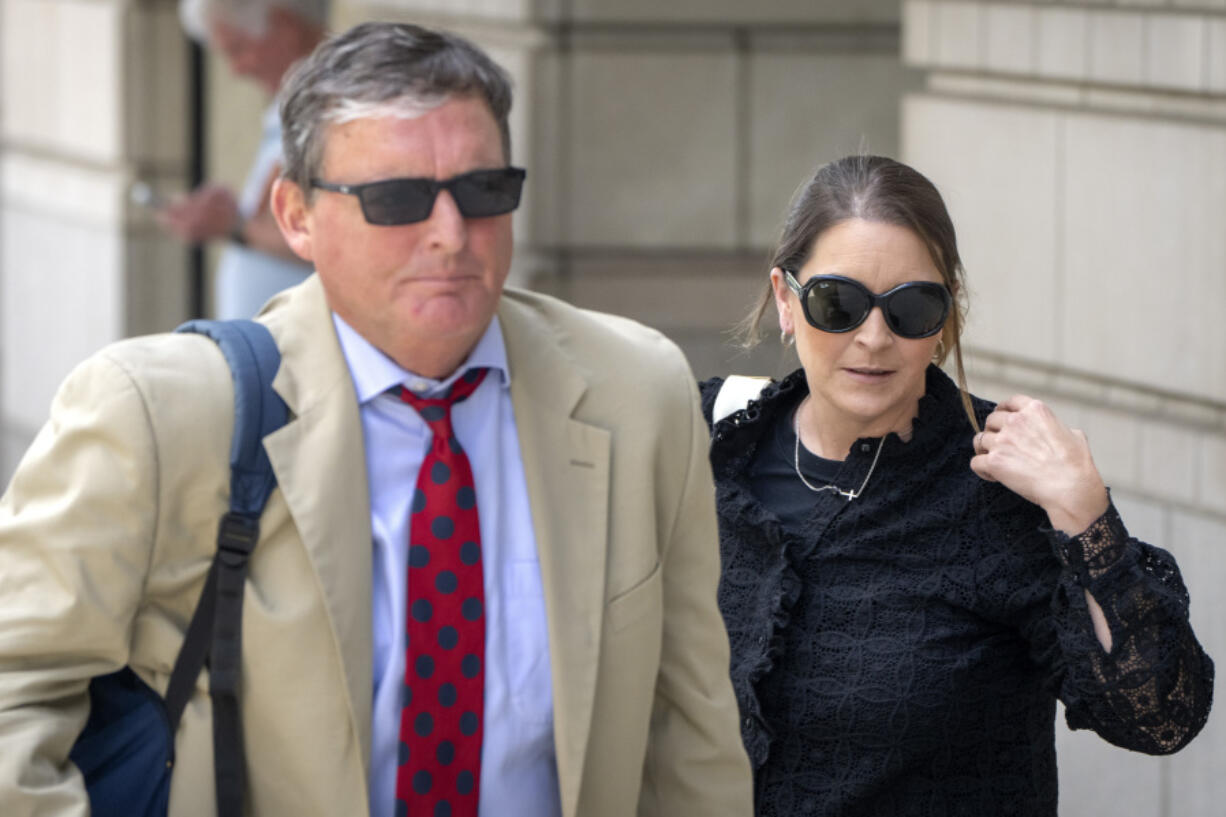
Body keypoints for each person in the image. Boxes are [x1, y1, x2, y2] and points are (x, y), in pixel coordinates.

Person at [0, 22, 753, 817]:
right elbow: (17, 693)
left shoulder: (638, 394)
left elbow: (690, 730)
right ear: (295, 214)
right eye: (396, 199)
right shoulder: (154, 413)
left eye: (483, 191)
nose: (450, 234)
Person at [700, 155, 1213, 816]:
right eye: (838, 303)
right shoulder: (709, 448)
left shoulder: (1002, 489)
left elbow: (1161, 715)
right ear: (785, 299)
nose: (874, 337)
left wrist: (1086, 515)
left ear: (945, 315)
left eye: (912, 307)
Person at [159, 0, 326, 318]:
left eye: (238, 48)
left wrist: (233, 224)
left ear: (284, 27)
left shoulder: (324, 106)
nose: (236, 69)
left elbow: (330, 239)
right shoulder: (294, 105)